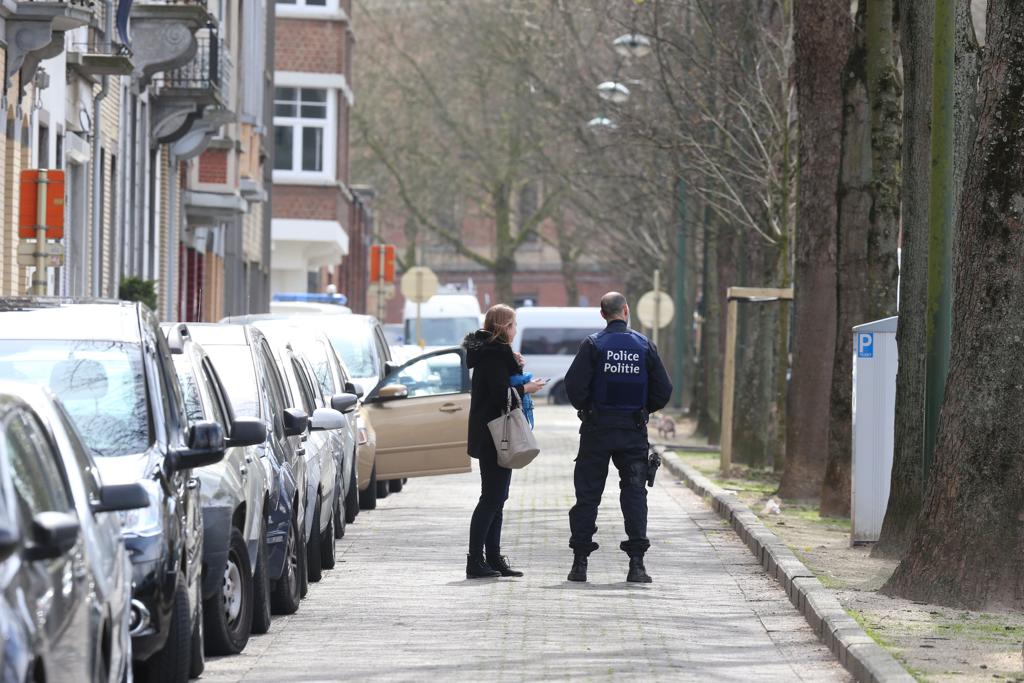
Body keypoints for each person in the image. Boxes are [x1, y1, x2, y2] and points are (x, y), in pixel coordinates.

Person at [563, 292, 673, 583]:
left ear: (602, 314)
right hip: (632, 432)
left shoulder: (593, 345)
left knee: (587, 496)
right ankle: (637, 565)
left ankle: (579, 564)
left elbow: (573, 387)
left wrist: (589, 408)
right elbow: (664, 389)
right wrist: (642, 409)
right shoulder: (644, 345)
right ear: (626, 310)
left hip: (596, 431)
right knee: (635, 494)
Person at [462, 305, 545, 579]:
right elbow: (500, 395)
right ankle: (476, 560)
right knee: (492, 497)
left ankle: (493, 557)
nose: (515, 330)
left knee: (498, 496)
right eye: (513, 325)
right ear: (503, 327)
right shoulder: (495, 355)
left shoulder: (490, 353)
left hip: (492, 433)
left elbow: (498, 385)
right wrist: (527, 387)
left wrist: (516, 367)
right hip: (496, 434)